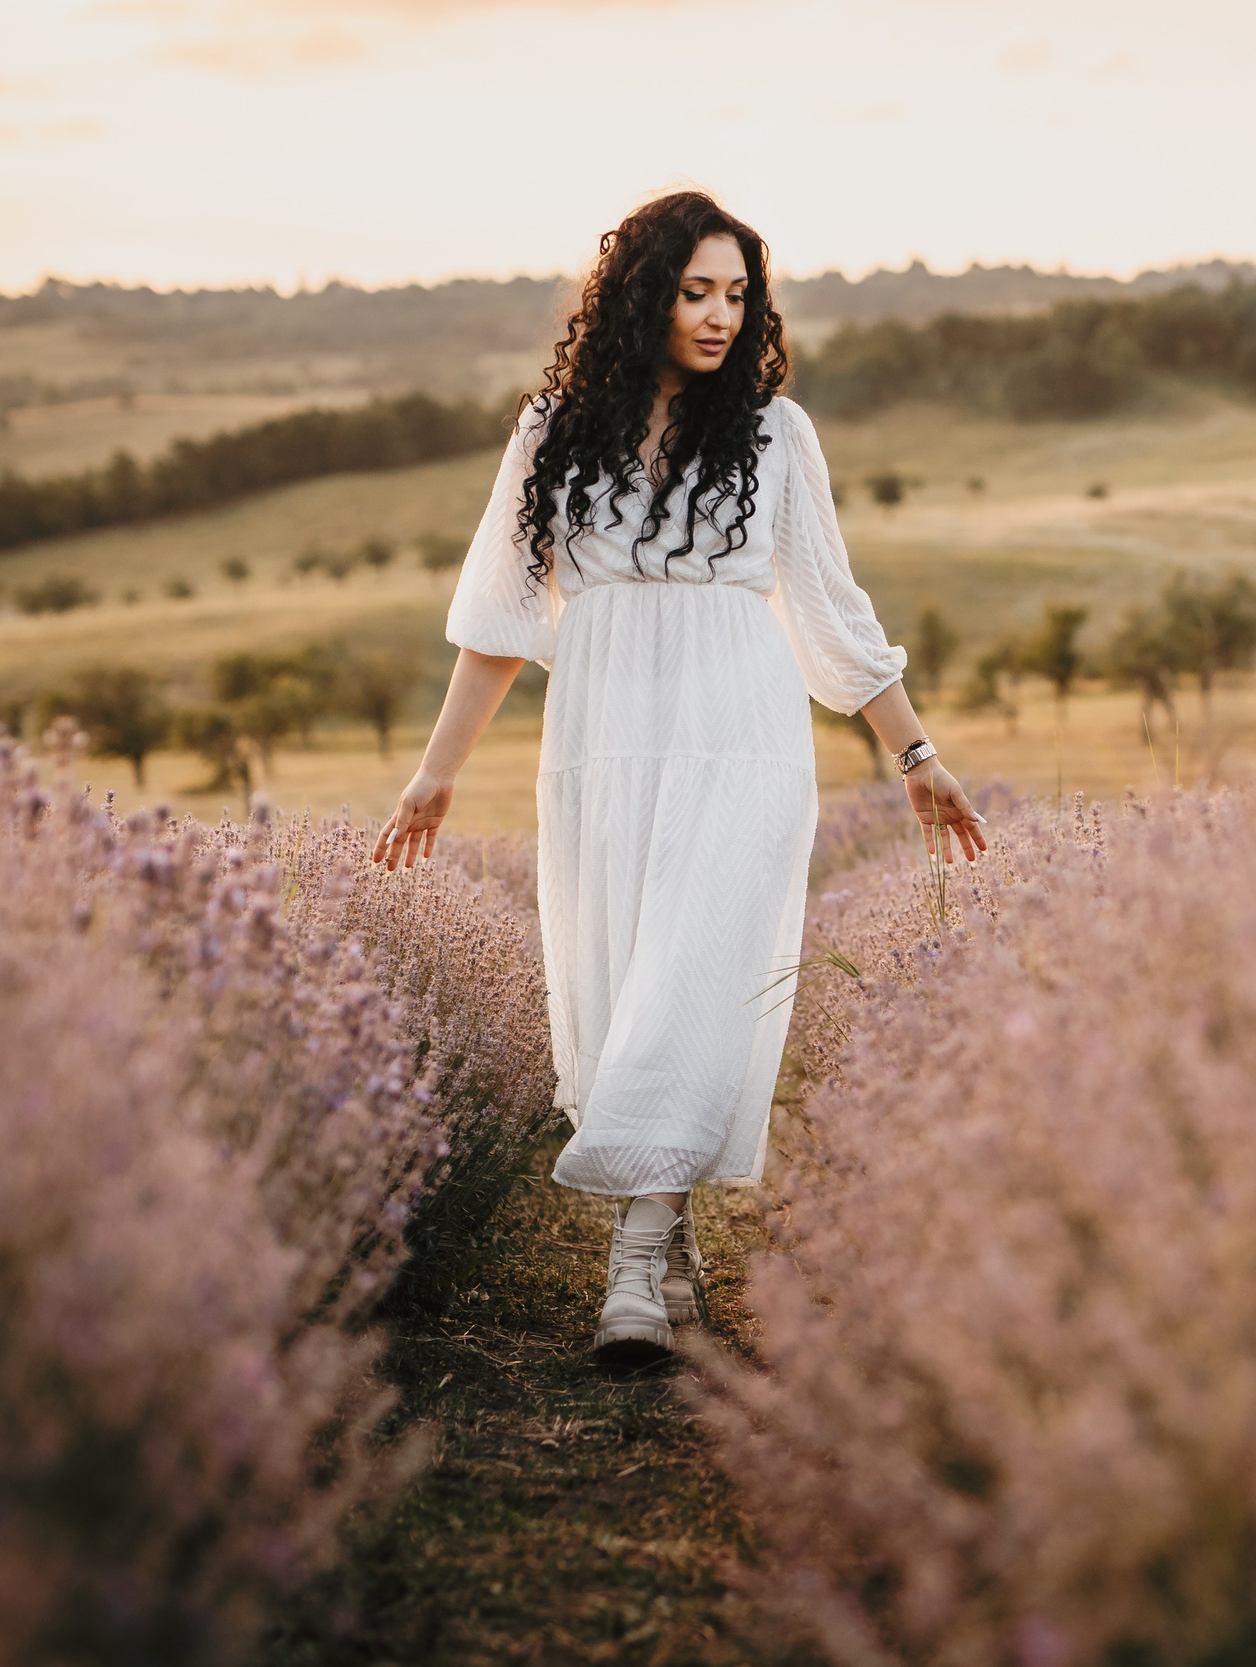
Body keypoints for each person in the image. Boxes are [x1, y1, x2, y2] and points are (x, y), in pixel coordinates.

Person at [373, 191, 987, 1366]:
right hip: (605, 740)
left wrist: (914, 754)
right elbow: (498, 622)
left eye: (737, 295)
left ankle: (633, 1270)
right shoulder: (553, 428)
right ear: (642, 294)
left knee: (700, 975)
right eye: (695, 291)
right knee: (627, 994)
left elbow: (830, 614)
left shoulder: (774, 433)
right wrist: (435, 776)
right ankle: (668, 1224)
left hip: (743, 737)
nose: (718, 316)